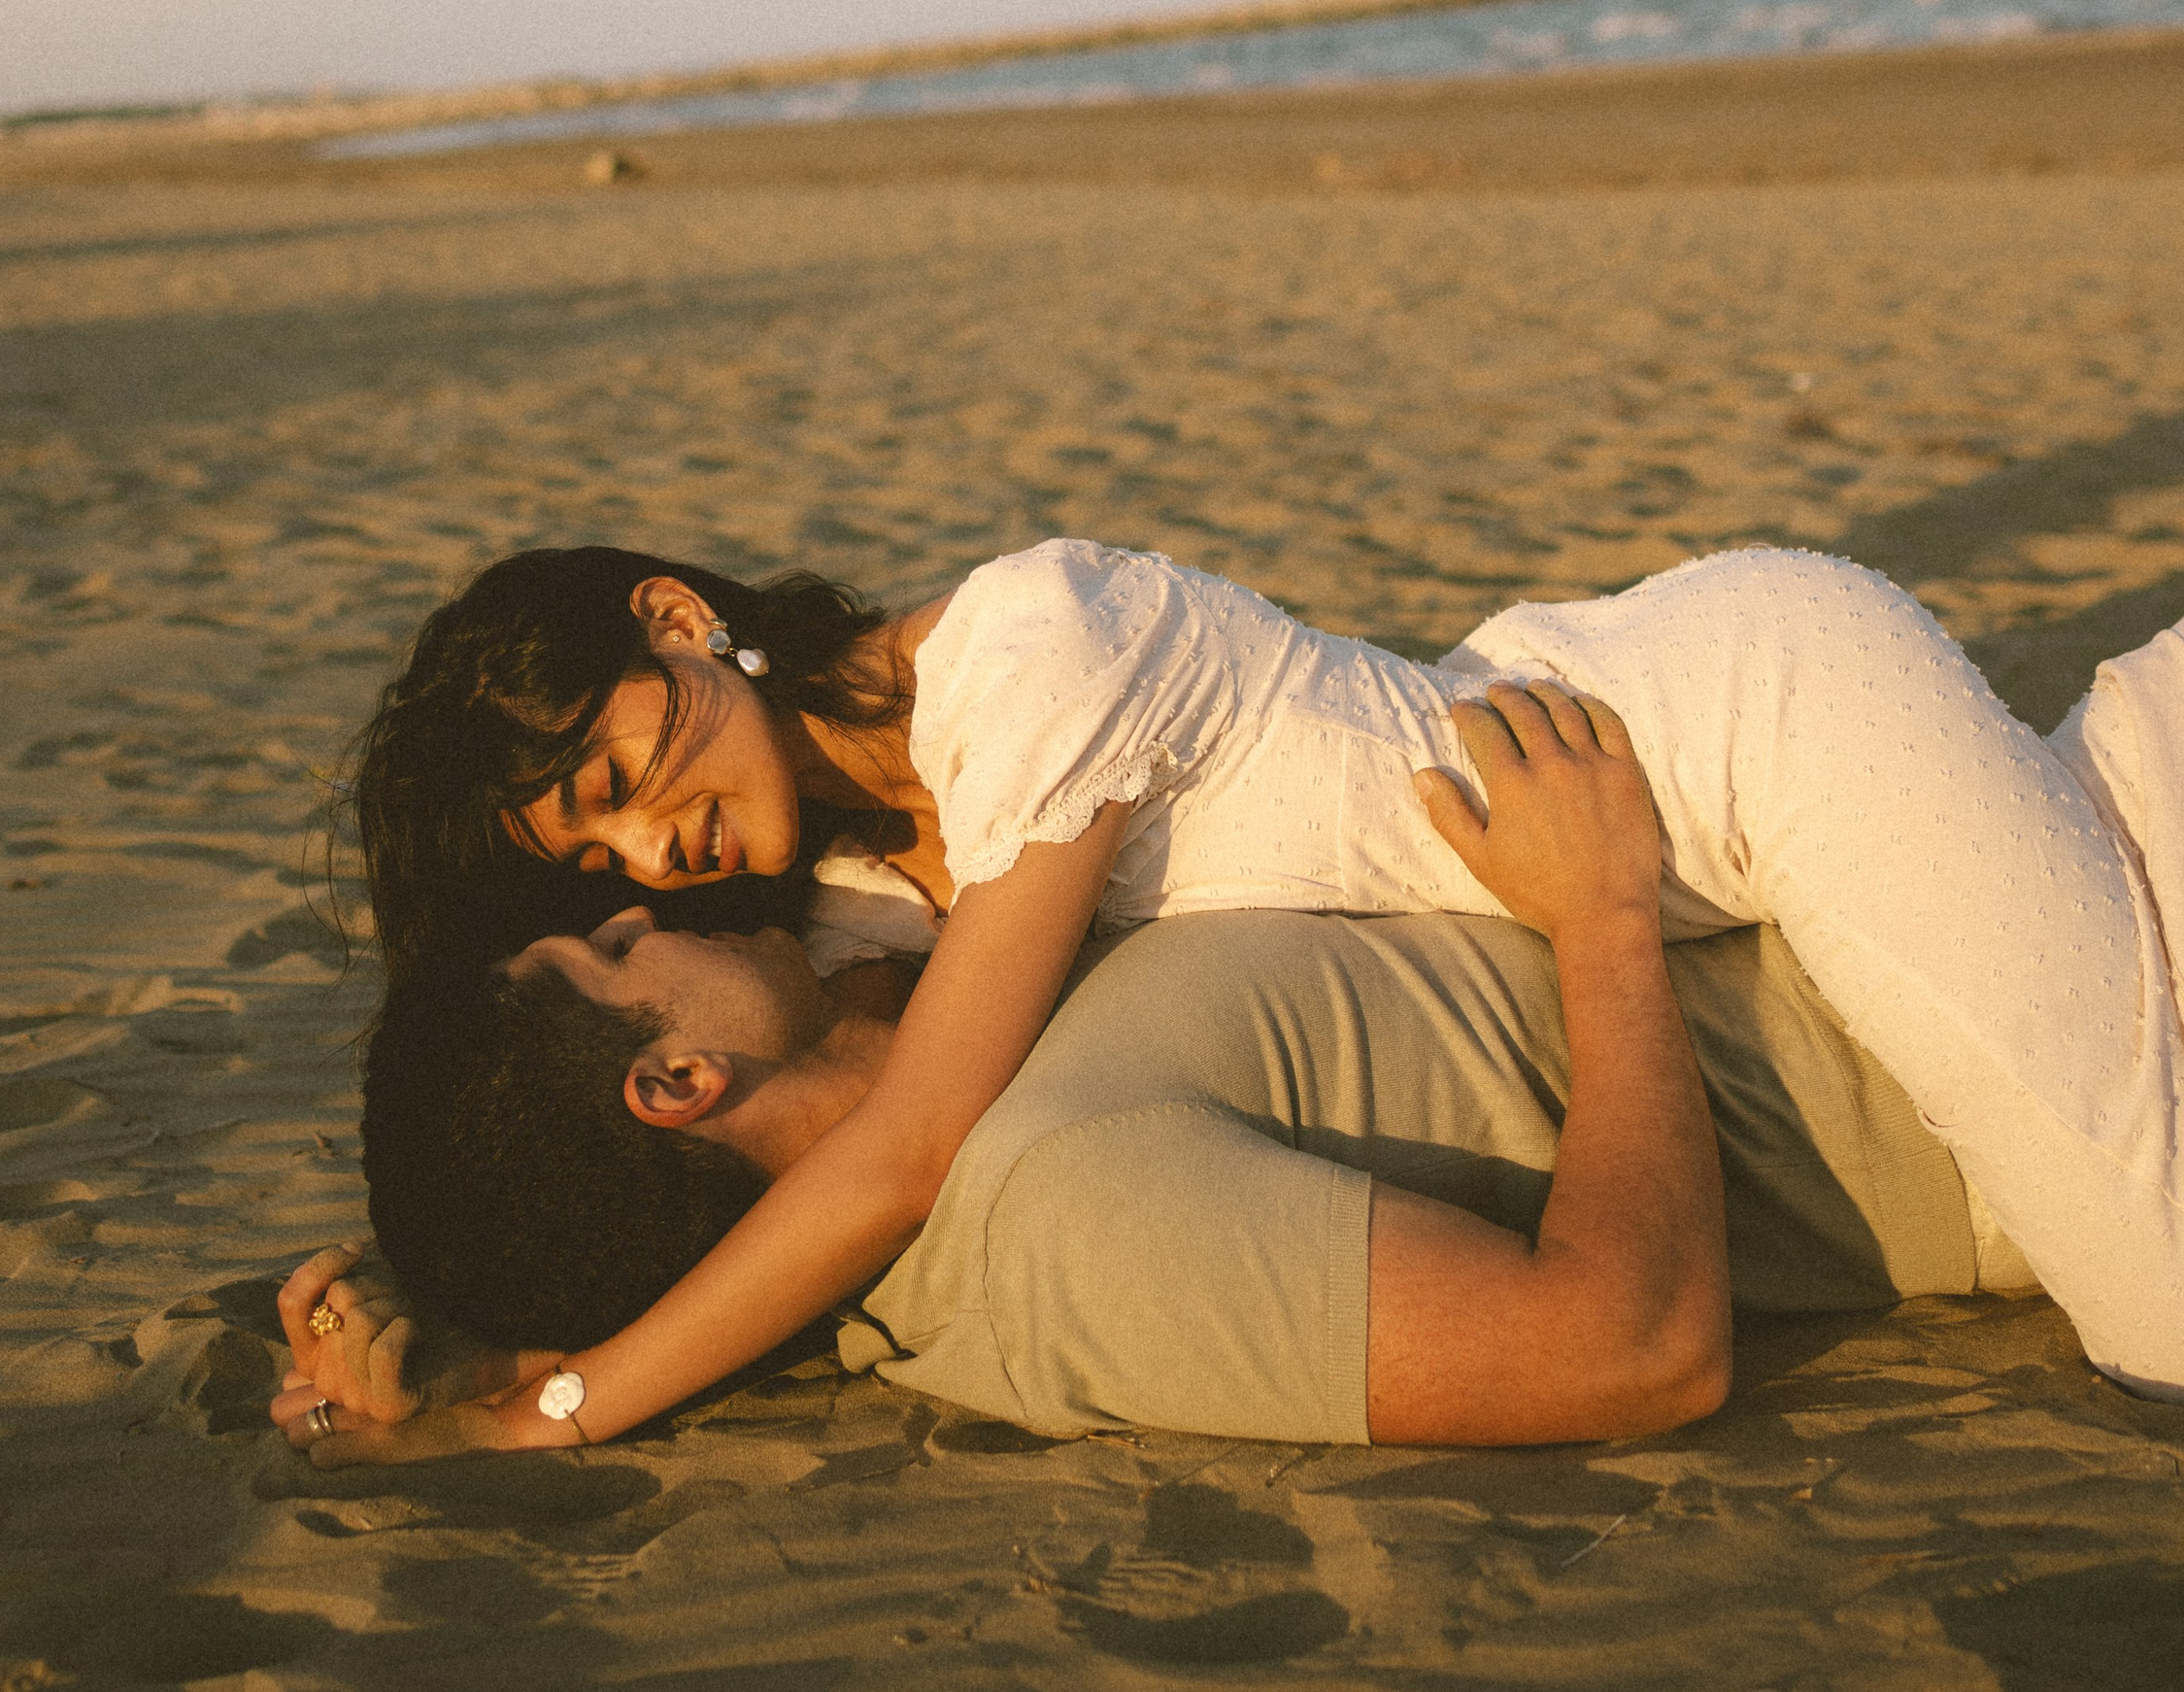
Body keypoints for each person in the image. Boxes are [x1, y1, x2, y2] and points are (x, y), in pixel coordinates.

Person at [339, 538, 2184, 1427]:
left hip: (1737, 738)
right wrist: (462, 1308)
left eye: (619, 778)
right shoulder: (846, 890)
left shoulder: (1030, 660)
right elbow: (637, 1135)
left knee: (2160, 1309)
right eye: (600, 869)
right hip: (1656, 839)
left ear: (678, 617)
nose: (655, 856)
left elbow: (900, 1152)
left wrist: (561, 1413)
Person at [271, 718, 2037, 1460]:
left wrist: (487, 1335)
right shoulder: (1062, 1214)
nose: (646, 899)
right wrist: (1602, 926)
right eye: (606, 942)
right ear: (675, 1074)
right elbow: (1629, 1349)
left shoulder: (946, 1018)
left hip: (1959, 835)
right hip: (1994, 1030)